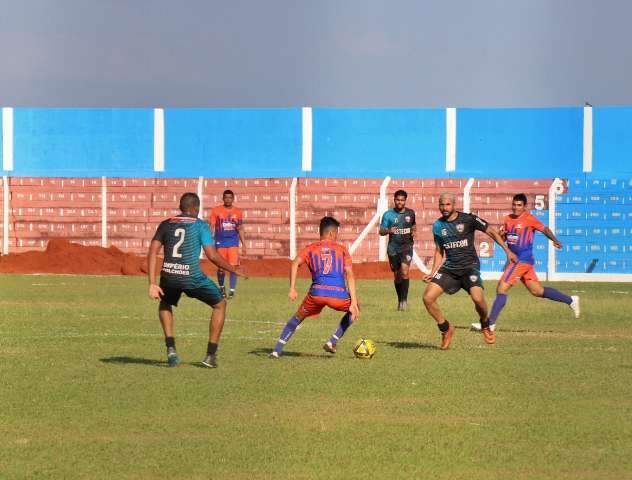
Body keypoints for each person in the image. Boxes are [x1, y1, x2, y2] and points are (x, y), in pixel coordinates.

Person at [148, 192, 246, 368]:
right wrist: (233, 269)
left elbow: (152, 251)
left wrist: (152, 283)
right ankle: (210, 355)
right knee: (220, 304)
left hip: (169, 276)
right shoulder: (200, 225)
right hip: (192, 276)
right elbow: (212, 255)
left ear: (180, 207)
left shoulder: (166, 223)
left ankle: (171, 350)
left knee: (165, 303)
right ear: (196, 208)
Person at [471, 193, 580, 332]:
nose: (516, 208)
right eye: (514, 205)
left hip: (522, 259)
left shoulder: (529, 219)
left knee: (501, 288)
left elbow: (544, 229)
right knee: (537, 291)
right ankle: (571, 300)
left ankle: (490, 324)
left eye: (519, 205)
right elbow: (505, 239)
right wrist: (503, 235)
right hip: (519, 260)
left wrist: (555, 240)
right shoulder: (507, 219)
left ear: (524, 207)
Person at [422, 192, 517, 349]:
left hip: (469, 267)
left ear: (454, 204)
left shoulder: (468, 219)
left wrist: (508, 251)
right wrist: (433, 272)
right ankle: (446, 329)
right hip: (450, 268)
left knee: (478, 299)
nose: (444, 208)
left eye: (447, 204)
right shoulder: (438, 226)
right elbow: (439, 251)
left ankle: (485, 324)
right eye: (441, 205)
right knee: (427, 298)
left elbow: (492, 232)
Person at [270, 216, 360, 358]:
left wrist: (292, 288)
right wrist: (353, 302)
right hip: (338, 295)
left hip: (316, 294)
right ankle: (332, 341)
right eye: (336, 233)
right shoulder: (342, 249)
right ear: (331, 233)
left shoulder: (310, 248)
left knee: (297, 318)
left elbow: (294, 263)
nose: (336, 236)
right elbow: (349, 274)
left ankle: (276, 350)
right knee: (355, 309)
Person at [379, 190, 416, 311]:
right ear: (394, 200)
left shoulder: (411, 213)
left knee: (405, 271)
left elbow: (413, 225)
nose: (400, 202)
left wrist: (414, 231)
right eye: (397, 200)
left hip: (407, 247)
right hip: (393, 249)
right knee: (397, 276)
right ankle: (400, 300)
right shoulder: (388, 215)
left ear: (405, 200)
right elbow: (381, 231)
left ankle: (405, 301)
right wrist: (389, 230)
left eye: (402, 200)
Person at [209, 190, 246, 299]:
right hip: (220, 242)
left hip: (233, 242)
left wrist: (244, 244)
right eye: (226, 197)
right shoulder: (216, 210)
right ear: (223, 198)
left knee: (233, 266)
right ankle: (221, 288)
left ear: (233, 199)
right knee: (221, 267)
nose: (228, 199)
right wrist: (210, 240)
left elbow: (240, 229)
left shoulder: (238, 212)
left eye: (230, 197)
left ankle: (232, 291)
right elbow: (211, 226)